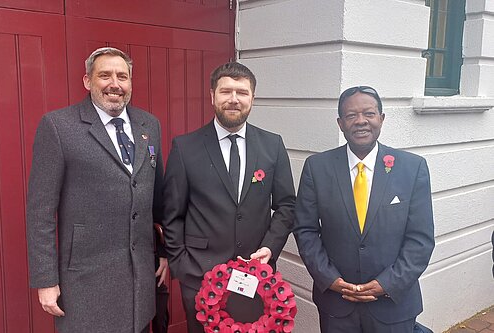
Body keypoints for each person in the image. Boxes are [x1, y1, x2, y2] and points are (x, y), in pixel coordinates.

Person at [26, 47, 167, 333]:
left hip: (140, 280)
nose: (114, 83)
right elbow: (40, 211)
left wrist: (164, 252)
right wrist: (45, 280)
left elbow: (159, 198)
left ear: (130, 83)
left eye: (122, 76)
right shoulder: (58, 126)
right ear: (87, 81)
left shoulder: (149, 125)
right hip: (85, 282)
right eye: (105, 75)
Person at [161, 62, 296, 332]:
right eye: (226, 92)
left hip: (257, 277)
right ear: (212, 96)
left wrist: (270, 248)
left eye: (242, 92)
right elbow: (172, 215)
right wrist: (183, 267)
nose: (234, 99)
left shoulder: (273, 145)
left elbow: (286, 205)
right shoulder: (185, 147)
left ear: (252, 98)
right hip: (200, 278)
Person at [293, 86, 435, 333]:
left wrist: (387, 283)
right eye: (351, 115)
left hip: (393, 305)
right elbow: (305, 231)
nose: (361, 121)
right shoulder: (317, 168)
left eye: (369, 113)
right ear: (340, 123)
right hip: (337, 305)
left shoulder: (412, 168)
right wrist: (330, 279)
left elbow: (420, 239)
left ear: (381, 118)